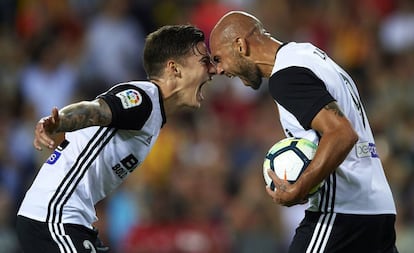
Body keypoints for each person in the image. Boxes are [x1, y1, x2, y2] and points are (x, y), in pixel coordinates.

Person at [209, 11, 398, 253]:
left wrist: (299, 188)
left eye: (218, 58)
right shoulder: (308, 55)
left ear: (240, 45)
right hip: (377, 208)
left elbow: (342, 133)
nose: (219, 70)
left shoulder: (286, 77)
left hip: (341, 212)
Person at [16, 24, 216, 253]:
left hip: (69, 220)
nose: (212, 70)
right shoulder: (144, 99)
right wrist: (59, 121)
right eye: (204, 61)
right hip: (54, 218)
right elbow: (97, 109)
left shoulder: (153, 114)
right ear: (175, 68)